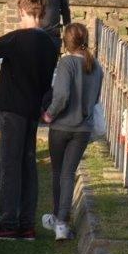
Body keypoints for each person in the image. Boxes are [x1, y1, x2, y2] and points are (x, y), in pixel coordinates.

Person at [0, 0, 60, 239]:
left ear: (22, 11)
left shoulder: (15, 38)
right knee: (28, 165)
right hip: (33, 109)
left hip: (13, 109)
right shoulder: (50, 44)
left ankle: (8, 222)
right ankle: (27, 223)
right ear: (42, 13)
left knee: (10, 165)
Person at [41, 23, 104, 240]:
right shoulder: (96, 67)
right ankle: (62, 222)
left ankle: (58, 218)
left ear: (66, 42)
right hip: (83, 129)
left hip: (61, 126)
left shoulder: (66, 63)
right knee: (69, 173)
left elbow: (61, 96)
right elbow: (95, 98)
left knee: (58, 173)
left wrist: (49, 114)